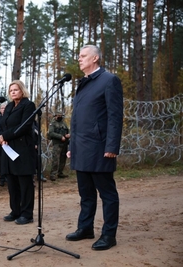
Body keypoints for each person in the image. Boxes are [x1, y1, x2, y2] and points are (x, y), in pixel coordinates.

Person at [65, 44, 123, 251]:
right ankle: (85, 228)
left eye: (83, 56)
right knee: (86, 193)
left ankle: (109, 234)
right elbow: (77, 121)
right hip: (81, 147)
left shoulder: (109, 80)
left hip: (100, 148)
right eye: (79, 56)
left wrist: (112, 146)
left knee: (107, 193)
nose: (79, 59)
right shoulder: (84, 83)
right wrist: (72, 146)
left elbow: (115, 117)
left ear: (95, 58)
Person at [0, 80, 36, 225]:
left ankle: (27, 214)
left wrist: (5, 136)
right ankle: (15, 210)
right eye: (11, 90)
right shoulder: (8, 107)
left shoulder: (28, 105)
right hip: (7, 149)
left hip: (22, 149)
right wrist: (1, 137)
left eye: (16, 89)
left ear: (22, 91)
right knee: (12, 182)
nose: (13, 92)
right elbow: (1, 124)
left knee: (24, 183)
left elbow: (24, 126)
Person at [47, 111, 70, 181]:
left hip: (65, 143)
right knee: (56, 159)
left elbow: (68, 130)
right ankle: (53, 174)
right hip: (57, 143)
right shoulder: (53, 123)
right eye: (58, 115)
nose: (60, 117)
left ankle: (60, 173)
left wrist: (68, 135)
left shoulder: (63, 123)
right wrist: (60, 137)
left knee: (63, 158)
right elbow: (51, 133)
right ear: (55, 116)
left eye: (61, 115)